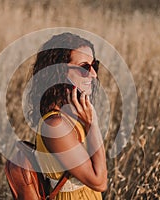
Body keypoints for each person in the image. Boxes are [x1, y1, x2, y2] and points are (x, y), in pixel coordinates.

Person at [27, 32, 107, 199]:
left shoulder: (71, 113)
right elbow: (99, 182)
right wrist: (93, 125)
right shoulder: (56, 125)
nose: (93, 74)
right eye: (85, 67)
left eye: (94, 65)